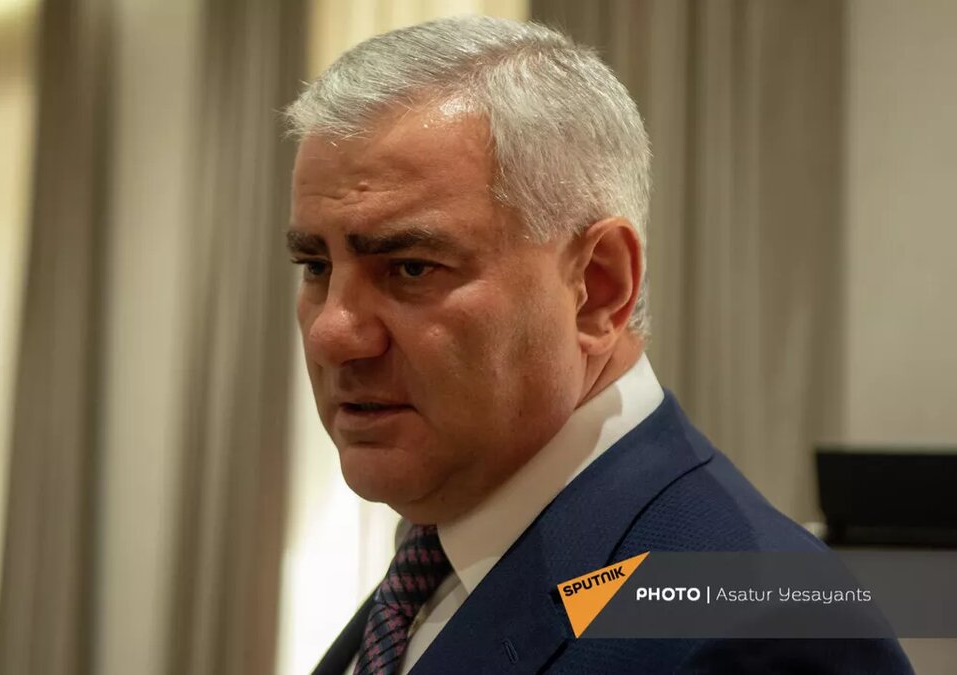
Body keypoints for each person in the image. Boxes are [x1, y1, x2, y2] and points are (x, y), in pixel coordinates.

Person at [284, 15, 912, 675]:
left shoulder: (766, 628)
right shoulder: (440, 554)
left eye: (411, 267)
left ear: (598, 287)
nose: (331, 334)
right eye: (315, 266)